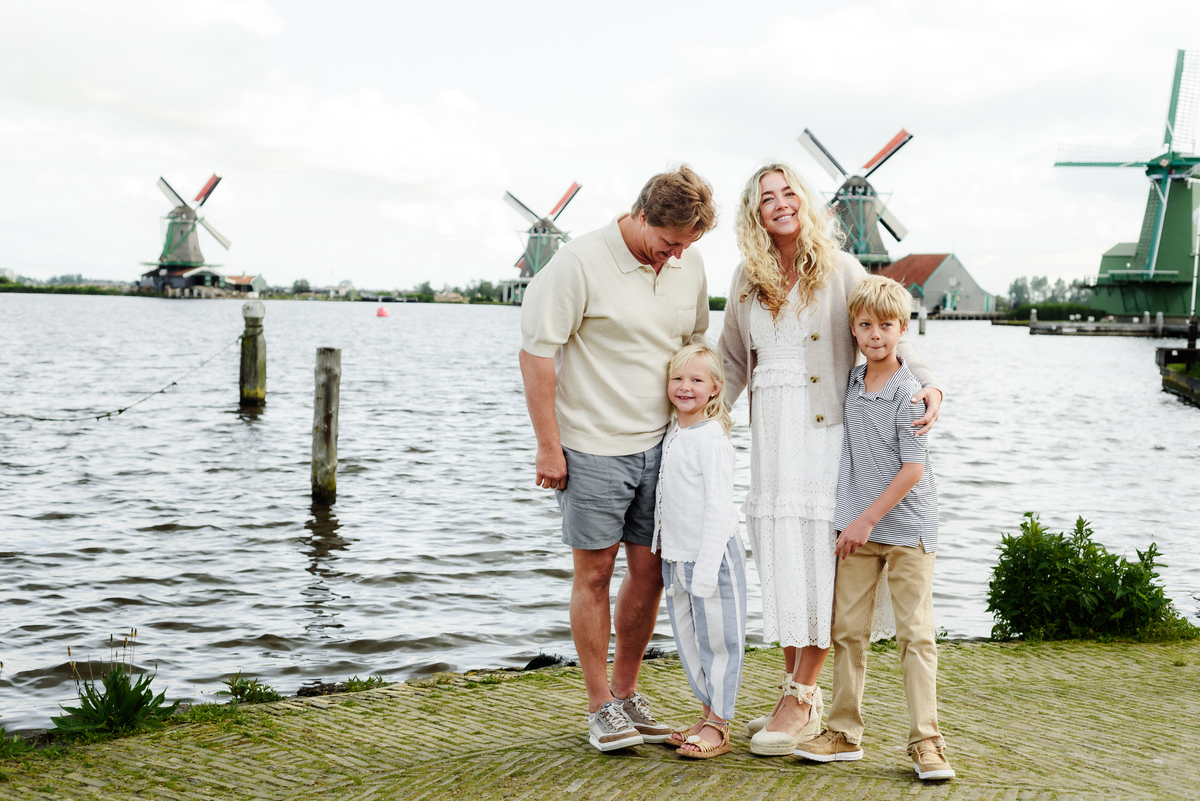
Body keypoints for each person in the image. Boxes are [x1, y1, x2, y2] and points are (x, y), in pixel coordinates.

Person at [718, 163, 942, 757]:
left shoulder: (840, 268)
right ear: (755, 212)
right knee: (784, 556)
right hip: (770, 431)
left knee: (819, 557)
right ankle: (795, 692)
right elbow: (732, 361)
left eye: (789, 192)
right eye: (767, 197)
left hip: (823, 433)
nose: (780, 203)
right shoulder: (746, 276)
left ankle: (804, 697)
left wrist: (931, 387)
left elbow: (889, 333)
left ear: (806, 201)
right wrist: (701, 421)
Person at [519, 166, 718, 753]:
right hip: (592, 445)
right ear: (640, 216)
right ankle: (600, 704)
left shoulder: (689, 262)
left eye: (687, 246)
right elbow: (536, 357)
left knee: (652, 570)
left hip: (666, 445)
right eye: (668, 243)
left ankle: (629, 694)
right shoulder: (579, 263)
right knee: (596, 572)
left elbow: (694, 348)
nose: (675, 255)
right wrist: (549, 445)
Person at [795, 275, 954, 781]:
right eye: (865, 325)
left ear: (902, 328)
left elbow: (913, 471)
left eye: (886, 325)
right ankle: (842, 732)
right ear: (854, 329)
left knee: (915, 636)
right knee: (847, 632)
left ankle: (927, 742)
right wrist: (852, 520)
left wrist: (863, 519)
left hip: (907, 532)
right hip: (857, 534)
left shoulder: (910, 392)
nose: (875, 335)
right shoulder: (854, 384)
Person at [652, 337, 746, 760]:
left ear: (714, 389)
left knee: (720, 642)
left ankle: (720, 724)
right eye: (677, 378)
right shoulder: (676, 433)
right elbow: (667, 497)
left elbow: (718, 508)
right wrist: (662, 550)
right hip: (676, 558)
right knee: (690, 641)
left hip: (712, 560)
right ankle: (706, 711)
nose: (684, 386)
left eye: (696, 379)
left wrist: (707, 569)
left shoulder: (712, 441)